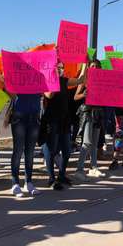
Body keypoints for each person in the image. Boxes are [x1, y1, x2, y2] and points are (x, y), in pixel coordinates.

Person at [42, 61, 86, 190]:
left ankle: (61, 175)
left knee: (67, 150)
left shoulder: (65, 81)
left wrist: (83, 63)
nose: (60, 69)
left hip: (65, 120)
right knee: (51, 150)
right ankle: (51, 178)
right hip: (52, 120)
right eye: (58, 67)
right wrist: (53, 79)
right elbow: (49, 95)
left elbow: (80, 80)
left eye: (62, 68)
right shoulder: (46, 81)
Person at [73, 60, 106, 181]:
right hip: (87, 114)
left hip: (98, 114)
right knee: (86, 142)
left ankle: (93, 167)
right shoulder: (84, 81)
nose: (95, 68)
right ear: (88, 68)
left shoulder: (102, 83)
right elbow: (75, 97)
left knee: (95, 143)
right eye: (93, 66)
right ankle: (79, 170)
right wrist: (84, 94)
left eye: (97, 66)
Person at [9, 92, 42, 197]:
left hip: (34, 114)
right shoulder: (17, 75)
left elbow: (47, 93)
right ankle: (15, 183)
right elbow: (11, 94)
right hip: (19, 114)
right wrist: (5, 83)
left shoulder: (40, 76)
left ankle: (29, 182)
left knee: (30, 152)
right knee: (18, 150)